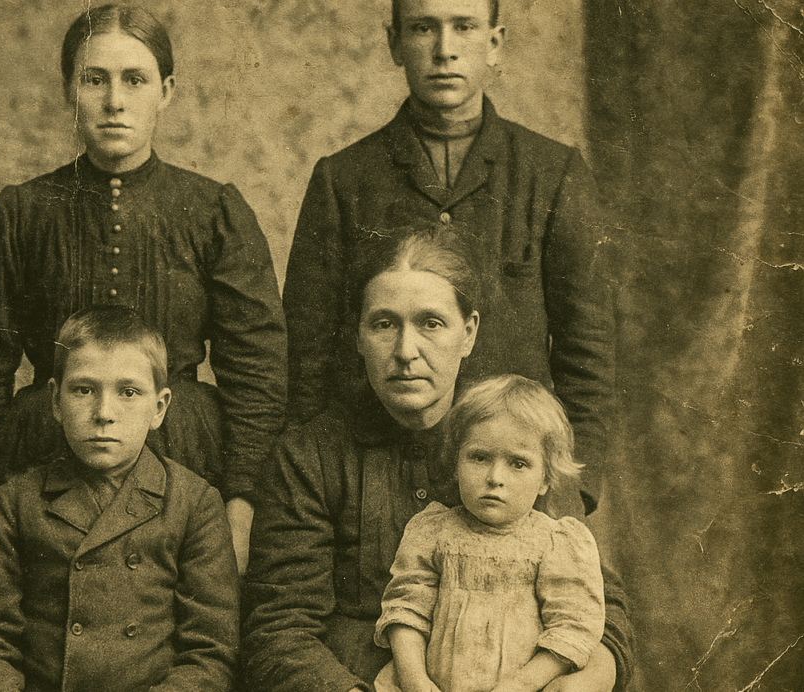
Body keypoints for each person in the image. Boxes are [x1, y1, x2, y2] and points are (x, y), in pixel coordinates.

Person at [0, 4, 286, 572]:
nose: (115, 101)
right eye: (93, 79)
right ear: (67, 91)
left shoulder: (212, 210)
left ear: (166, 91)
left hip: (185, 452)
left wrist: (240, 507)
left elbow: (259, 375)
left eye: (135, 79)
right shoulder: (21, 213)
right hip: (47, 449)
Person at [243, 233, 633, 692]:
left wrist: (589, 674)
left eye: (431, 323)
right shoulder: (310, 456)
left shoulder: (521, 444)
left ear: (468, 333)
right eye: (384, 324)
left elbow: (599, 604)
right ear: (358, 336)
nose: (406, 351)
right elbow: (279, 628)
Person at [282, 0, 613, 518]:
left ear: (495, 43)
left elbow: (586, 352)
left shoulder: (553, 173)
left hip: (515, 482)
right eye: (422, 28)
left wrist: (573, 488)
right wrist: (312, 485)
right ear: (394, 43)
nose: (444, 50)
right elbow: (308, 355)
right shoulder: (343, 179)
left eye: (463, 27)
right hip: (382, 481)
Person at [0, 306, 238, 692]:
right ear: (55, 401)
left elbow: (210, 653)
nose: (104, 413)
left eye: (128, 392)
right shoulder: (16, 502)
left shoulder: (195, 504)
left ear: (159, 408)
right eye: (84, 390)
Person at [373, 375, 605, 692]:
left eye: (518, 463)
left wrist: (524, 684)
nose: (495, 477)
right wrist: (415, 680)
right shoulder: (433, 531)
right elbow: (405, 609)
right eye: (479, 457)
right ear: (456, 463)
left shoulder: (555, 542)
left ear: (545, 479)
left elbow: (574, 626)